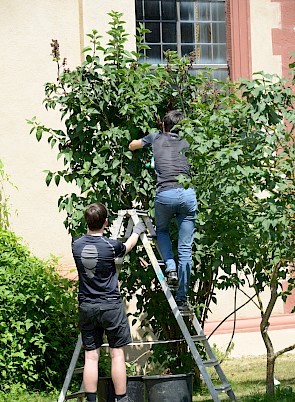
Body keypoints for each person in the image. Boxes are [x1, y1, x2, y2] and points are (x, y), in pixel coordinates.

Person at [72, 203, 145, 402]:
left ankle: (91, 400)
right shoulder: (110, 246)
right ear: (106, 222)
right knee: (117, 354)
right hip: (110, 305)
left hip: (87, 306)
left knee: (91, 356)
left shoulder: (76, 244)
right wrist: (137, 230)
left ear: (87, 222)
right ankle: (121, 399)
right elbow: (127, 246)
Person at [129, 110, 197, 311]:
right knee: (185, 249)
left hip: (165, 194)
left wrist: (142, 146)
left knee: (163, 231)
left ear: (164, 126)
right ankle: (182, 297)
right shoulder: (189, 141)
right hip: (187, 194)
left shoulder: (155, 137)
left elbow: (133, 145)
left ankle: (170, 268)